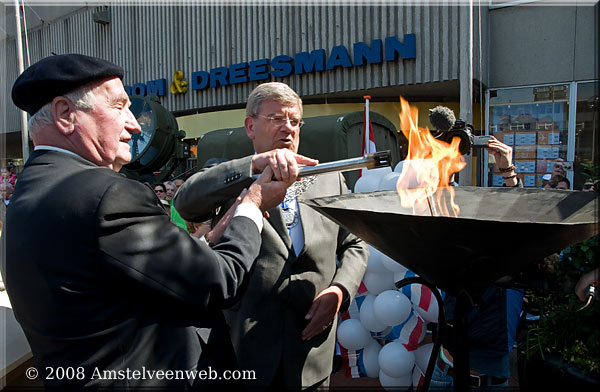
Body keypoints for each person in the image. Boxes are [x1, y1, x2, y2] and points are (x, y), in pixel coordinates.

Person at [3, 54, 293, 390]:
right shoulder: (106, 194)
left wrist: (208, 243)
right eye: (119, 106)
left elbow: (117, 277)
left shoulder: (26, 193)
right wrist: (253, 205)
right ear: (66, 115)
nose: (135, 124)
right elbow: (220, 283)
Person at [174, 82, 369, 390]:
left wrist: (340, 291)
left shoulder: (329, 178)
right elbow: (184, 201)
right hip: (245, 349)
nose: (287, 128)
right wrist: (252, 166)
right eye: (276, 119)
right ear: (250, 126)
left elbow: (355, 243)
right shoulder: (232, 179)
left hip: (311, 352)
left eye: (294, 121)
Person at [430, 135, 524, 389]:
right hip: (442, 374)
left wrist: (508, 172)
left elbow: (520, 219)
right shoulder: (458, 255)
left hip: (488, 383)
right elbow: (439, 207)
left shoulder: (511, 266)